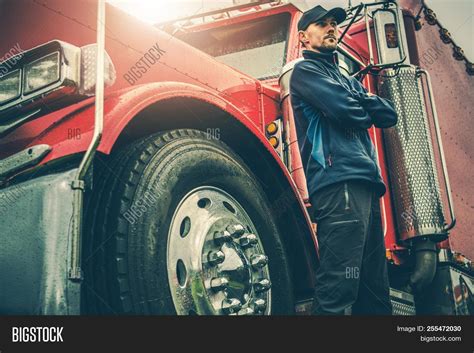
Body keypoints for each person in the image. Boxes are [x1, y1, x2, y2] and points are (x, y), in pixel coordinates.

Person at [289, 5, 398, 315]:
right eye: (322, 24)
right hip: (339, 183)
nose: (331, 28)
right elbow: (349, 112)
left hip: (365, 184)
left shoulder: (345, 78)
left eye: (334, 23)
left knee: (375, 292)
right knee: (339, 286)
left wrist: (357, 98)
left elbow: (388, 114)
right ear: (303, 37)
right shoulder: (305, 72)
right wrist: (362, 102)